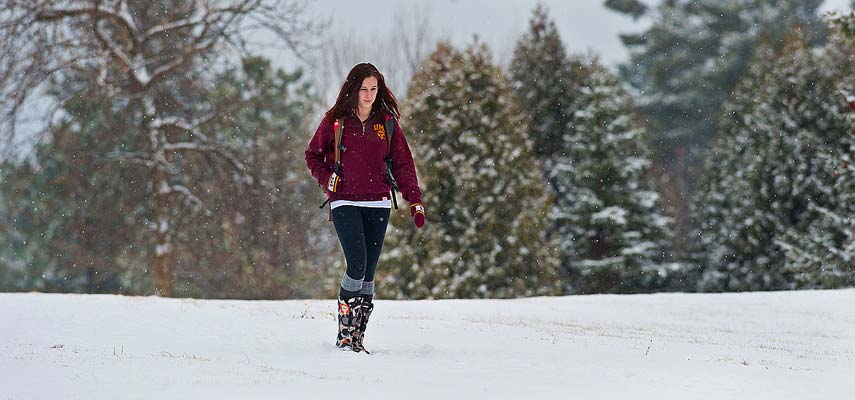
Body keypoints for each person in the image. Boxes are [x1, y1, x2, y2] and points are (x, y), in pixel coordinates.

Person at [305, 63, 425, 353]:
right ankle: (345, 334)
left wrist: (415, 199)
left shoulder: (387, 123)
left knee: (369, 272)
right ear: (353, 90)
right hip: (344, 198)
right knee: (356, 263)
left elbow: (403, 164)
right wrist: (327, 179)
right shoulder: (336, 121)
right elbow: (312, 155)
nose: (369, 95)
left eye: (374, 89)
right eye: (364, 89)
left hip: (379, 201)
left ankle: (357, 337)